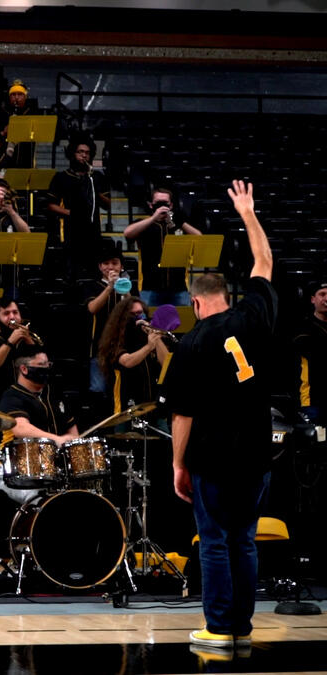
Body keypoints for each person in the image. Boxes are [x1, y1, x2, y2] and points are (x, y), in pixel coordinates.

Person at [166, 180, 275, 652]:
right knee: (245, 541)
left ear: (195, 303)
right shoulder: (254, 316)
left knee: (213, 541)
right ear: (227, 296)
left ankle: (219, 629)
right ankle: (244, 627)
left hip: (212, 459)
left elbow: (182, 415)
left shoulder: (190, 343)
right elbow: (264, 263)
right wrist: (247, 212)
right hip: (256, 453)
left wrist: (178, 464)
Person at [123, 187, 202, 307]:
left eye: (165, 203)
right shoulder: (144, 223)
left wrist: (180, 222)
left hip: (178, 286)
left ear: (171, 205)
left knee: (182, 323)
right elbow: (128, 233)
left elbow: (200, 239)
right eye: (158, 203)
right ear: (151, 205)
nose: (162, 206)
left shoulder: (178, 224)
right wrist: (153, 218)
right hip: (150, 287)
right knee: (149, 322)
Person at [46, 135, 110, 278]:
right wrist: (71, 213)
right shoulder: (61, 177)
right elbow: (50, 205)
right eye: (80, 152)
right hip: (70, 231)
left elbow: (108, 204)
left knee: (93, 272)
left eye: (87, 153)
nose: (84, 155)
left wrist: (94, 189)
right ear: (72, 154)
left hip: (93, 232)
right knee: (72, 272)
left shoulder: (97, 177)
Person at [98, 297, 169, 415]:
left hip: (153, 403)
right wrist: (148, 347)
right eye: (132, 314)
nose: (137, 317)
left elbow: (166, 362)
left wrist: (155, 336)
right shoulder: (115, 340)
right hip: (127, 405)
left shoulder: (148, 336)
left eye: (140, 313)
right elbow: (127, 361)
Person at [0, 347, 78, 445]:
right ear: (24, 369)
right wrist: (55, 439)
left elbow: (73, 432)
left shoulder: (53, 393)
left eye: (48, 365)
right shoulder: (12, 396)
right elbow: (20, 428)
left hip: (59, 458)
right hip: (27, 457)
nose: (46, 369)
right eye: (41, 365)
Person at [83, 242, 133, 393]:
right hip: (99, 347)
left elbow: (134, 310)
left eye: (114, 263)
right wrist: (110, 287)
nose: (110, 267)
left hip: (123, 347)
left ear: (121, 266)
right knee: (99, 389)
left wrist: (124, 289)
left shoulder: (128, 285)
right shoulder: (92, 285)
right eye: (106, 263)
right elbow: (92, 308)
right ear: (100, 267)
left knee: (121, 389)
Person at [0, 297, 41, 406]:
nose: (12, 317)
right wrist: (10, 341)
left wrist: (29, 341)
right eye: (6, 314)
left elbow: (41, 367)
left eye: (15, 312)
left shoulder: (30, 339)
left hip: (28, 399)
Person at [292, 282, 327, 424]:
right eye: (322, 294)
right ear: (313, 299)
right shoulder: (303, 328)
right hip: (312, 400)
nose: (326, 299)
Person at [0, 79, 38, 169]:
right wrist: (3, 132)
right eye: (13, 95)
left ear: (25, 97)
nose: (16, 98)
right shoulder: (0, 112)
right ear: (9, 97)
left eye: (20, 94)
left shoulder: (31, 112)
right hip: (5, 155)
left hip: (25, 154)